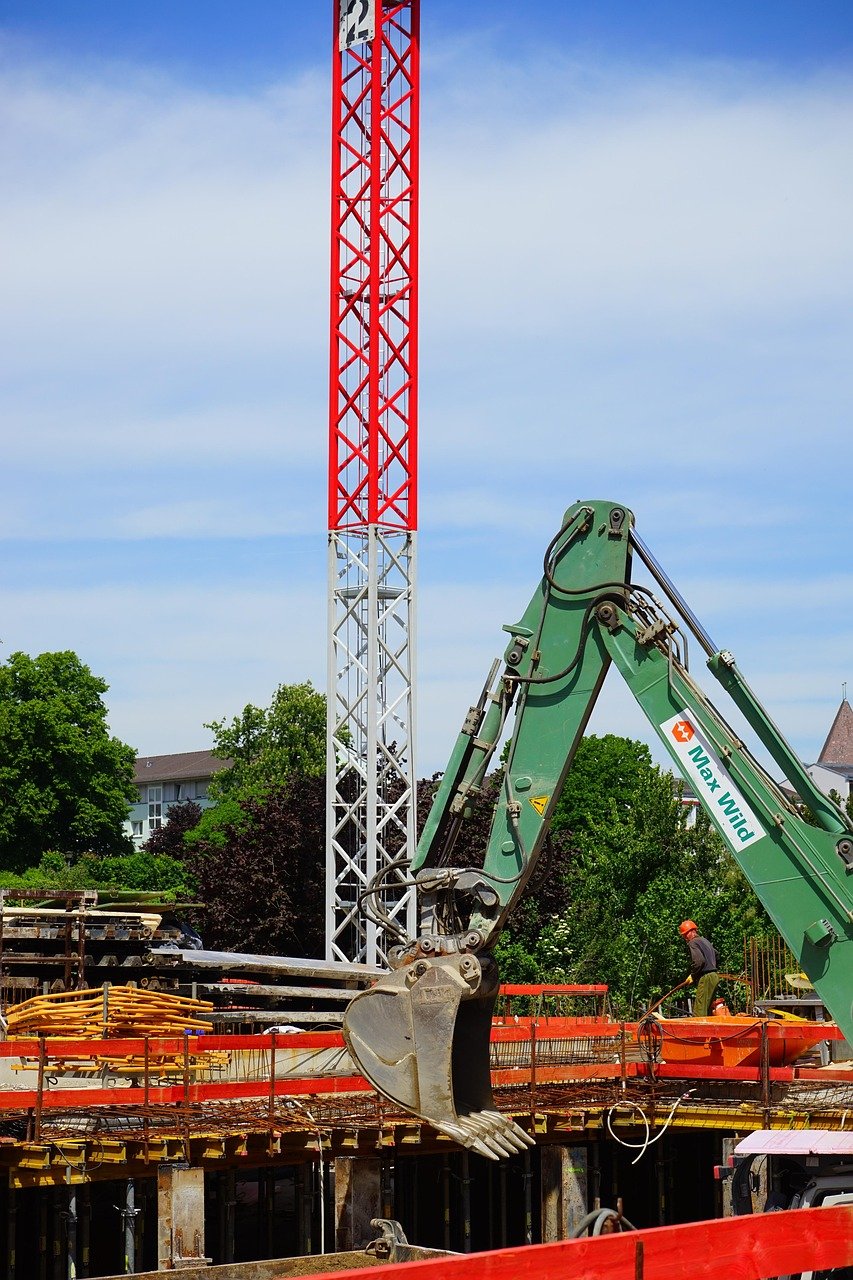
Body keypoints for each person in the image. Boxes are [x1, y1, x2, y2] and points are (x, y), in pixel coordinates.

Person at [679, 920, 719, 1017]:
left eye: (685, 935)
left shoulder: (693, 942)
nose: (685, 938)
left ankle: (698, 1031)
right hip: (715, 977)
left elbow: (699, 961)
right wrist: (712, 965)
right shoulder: (705, 941)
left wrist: (693, 975)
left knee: (699, 1011)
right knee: (708, 1009)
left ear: (691, 932)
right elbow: (717, 954)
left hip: (706, 977)